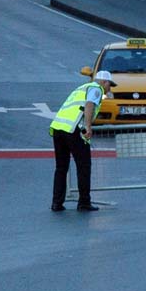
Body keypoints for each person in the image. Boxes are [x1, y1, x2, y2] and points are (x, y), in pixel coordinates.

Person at [49, 70, 116, 212]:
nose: (110, 88)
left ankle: (56, 203)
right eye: (110, 84)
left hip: (58, 128)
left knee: (61, 168)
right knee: (84, 166)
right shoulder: (96, 89)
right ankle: (84, 202)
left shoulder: (81, 88)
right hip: (75, 130)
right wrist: (88, 126)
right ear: (104, 82)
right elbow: (89, 104)